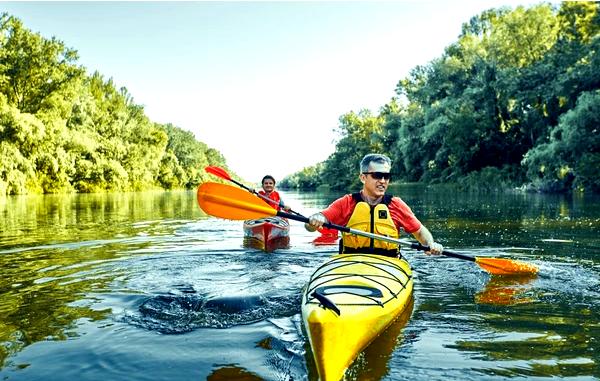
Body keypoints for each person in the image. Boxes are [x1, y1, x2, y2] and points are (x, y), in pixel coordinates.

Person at [304, 153, 443, 256]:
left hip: (388, 265)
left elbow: (420, 232)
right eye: (377, 175)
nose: (383, 181)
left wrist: (430, 244)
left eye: (386, 176)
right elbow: (311, 225)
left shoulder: (396, 205)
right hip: (351, 263)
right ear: (363, 178)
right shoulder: (347, 203)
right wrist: (315, 220)